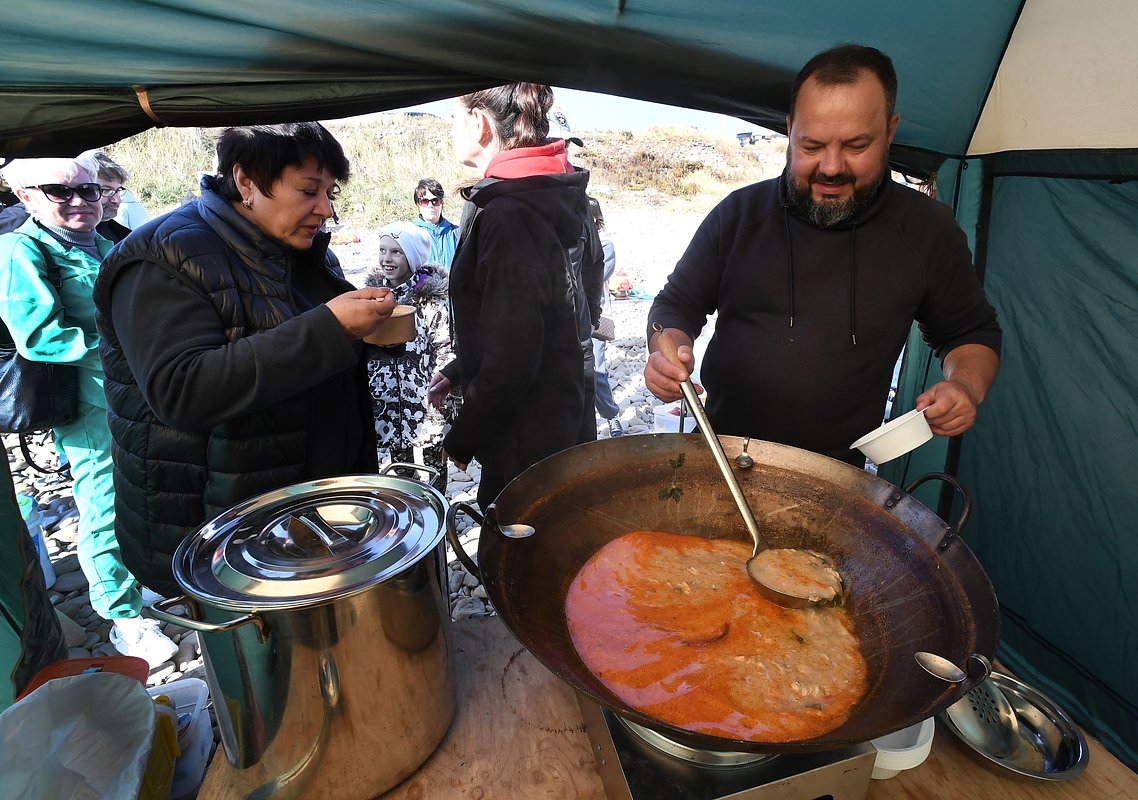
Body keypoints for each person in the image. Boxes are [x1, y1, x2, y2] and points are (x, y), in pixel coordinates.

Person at [645, 44, 1001, 466]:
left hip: (836, 478)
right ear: (791, 129)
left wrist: (965, 387)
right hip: (721, 456)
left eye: (856, 145)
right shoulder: (739, 215)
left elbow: (971, 332)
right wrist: (665, 349)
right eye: (812, 146)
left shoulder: (927, 230)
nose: (831, 167)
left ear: (890, 131)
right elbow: (675, 306)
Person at [93, 122, 397, 597]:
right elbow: (182, 388)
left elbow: (307, 347)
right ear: (246, 181)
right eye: (308, 191)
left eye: (329, 192)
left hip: (306, 508)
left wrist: (369, 332)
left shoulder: (299, 248)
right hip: (222, 526)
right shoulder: (163, 256)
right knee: (258, 661)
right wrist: (332, 327)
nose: (326, 209)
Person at [0, 155, 177, 667]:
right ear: (26, 196)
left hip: (135, 396)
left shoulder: (105, 243)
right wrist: (124, 347)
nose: (80, 201)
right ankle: (123, 618)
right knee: (104, 506)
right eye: (61, 191)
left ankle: (141, 578)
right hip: (88, 406)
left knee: (145, 490)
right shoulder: (22, 251)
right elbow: (40, 339)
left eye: (90, 191)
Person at [429, 83, 590, 510]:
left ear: (479, 123)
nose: (450, 130)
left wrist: (462, 437)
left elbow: (514, 356)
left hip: (528, 437)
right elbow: (531, 317)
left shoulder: (508, 213)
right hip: (555, 417)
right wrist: (461, 367)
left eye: (453, 119)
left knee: (526, 550)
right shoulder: (539, 194)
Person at [364, 221, 451, 494]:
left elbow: (444, 345)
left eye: (396, 252)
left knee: (434, 465)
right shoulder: (372, 298)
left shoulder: (429, 300)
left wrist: (442, 385)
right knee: (401, 473)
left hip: (425, 396)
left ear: (411, 256)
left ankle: (439, 515)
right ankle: (410, 519)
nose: (387, 259)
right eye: (383, 250)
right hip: (388, 399)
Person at [588, 197, 624, 438]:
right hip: (566, 319)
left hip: (593, 320)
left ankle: (611, 416)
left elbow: (596, 275)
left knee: (597, 371)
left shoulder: (605, 245)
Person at [412, 178, 459, 270]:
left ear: (441, 203)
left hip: (454, 284)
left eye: (435, 201)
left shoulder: (457, 233)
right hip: (424, 284)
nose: (430, 205)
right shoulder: (411, 235)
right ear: (418, 204)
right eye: (424, 201)